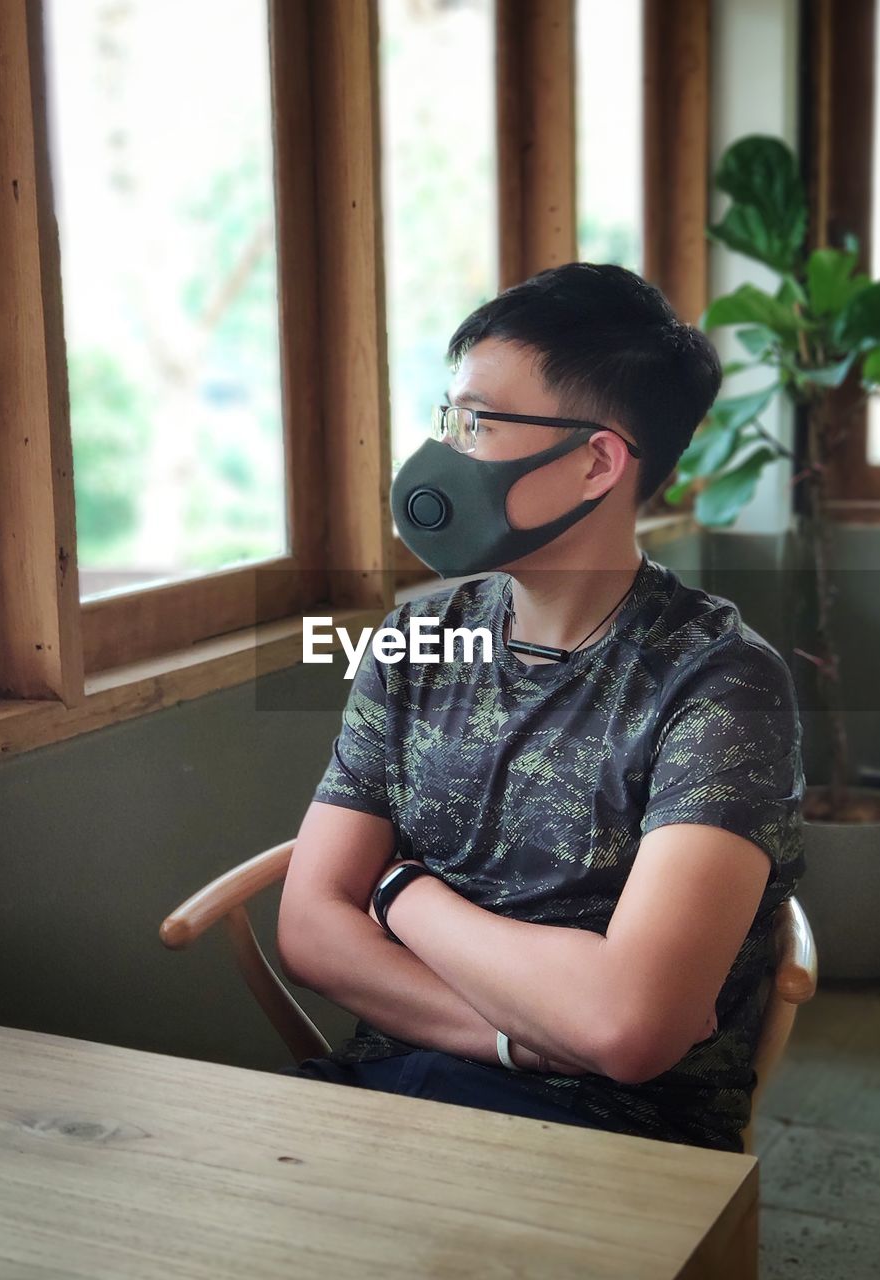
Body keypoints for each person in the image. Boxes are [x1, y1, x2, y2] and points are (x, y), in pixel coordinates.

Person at [275, 262, 806, 1154]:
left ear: (596, 462)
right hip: (380, 1090)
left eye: (476, 422)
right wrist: (519, 1033)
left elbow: (630, 1029)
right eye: (447, 417)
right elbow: (309, 930)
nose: (443, 453)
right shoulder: (418, 638)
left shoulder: (721, 685)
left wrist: (400, 890)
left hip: (609, 1130)